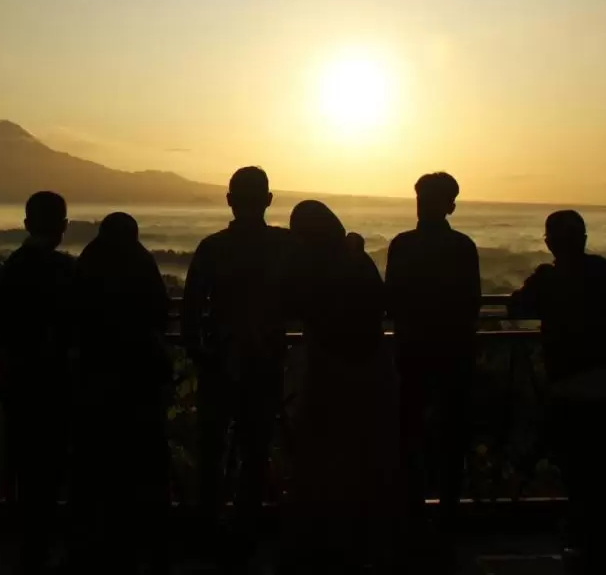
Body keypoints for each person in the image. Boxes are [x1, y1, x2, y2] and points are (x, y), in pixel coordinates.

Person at [510, 210, 606, 573]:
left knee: (577, 465)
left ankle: (584, 538)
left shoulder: (550, 277)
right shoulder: (602, 270)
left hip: (572, 385)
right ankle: (597, 539)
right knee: (602, 461)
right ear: (583, 239)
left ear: (549, 243)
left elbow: (517, 305)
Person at [283, 202, 400, 573]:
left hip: (329, 370)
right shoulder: (355, 261)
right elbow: (381, 304)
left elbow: (299, 307)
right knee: (364, 457)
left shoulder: (309, 267)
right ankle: (363, 538)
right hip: (370, 367)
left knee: (325, 458)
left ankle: (325, 536)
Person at [182, 167, 291, 549]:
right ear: (268, 200)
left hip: (219, 360)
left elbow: (191, 311)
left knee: (213, 448)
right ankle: (247, 525)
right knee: (256, 447)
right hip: (264, 362)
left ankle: (208, 525)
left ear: (229, 200)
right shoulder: (285, 246)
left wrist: (201, 353)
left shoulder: (212, 248)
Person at [72, 213, 172, 574]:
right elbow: (159, 312)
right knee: (144, 462)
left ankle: (98, 539)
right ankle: (147, 541)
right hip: (141, 381)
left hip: (96, 380)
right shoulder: (143, 264)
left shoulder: (88, 262)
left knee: (98, 461)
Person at [385, 172, 481, 536]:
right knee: (451, 434)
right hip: (455, 350)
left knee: (410, 431)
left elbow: (391, 299)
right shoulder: (463, 246)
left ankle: (413, 508)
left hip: (413, 349)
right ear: (451, 206)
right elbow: (471, 302)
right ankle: (448, 510)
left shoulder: (403, 245)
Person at [0, 191, 76, 574]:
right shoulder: (66, 271)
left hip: (18, 382)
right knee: (56, 467)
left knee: (25, 467)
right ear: (63, 226)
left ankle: (29, 546)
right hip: (58, 385)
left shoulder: (10, 268)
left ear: (27, 224)